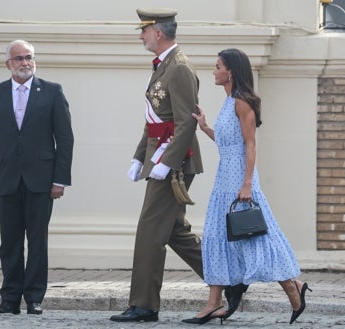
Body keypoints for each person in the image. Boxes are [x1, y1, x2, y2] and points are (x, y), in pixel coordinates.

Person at [182, 48, 311, 325]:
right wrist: (205, 127)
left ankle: (293, 286)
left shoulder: (242, 102)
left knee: (256, 238)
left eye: (217, 66)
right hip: (223, 179)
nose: (213, 71)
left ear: (230, 71)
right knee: (218, 238)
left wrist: (247, 184)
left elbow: (250, 145)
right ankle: (214, 303)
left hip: (241, 179)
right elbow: (229, 143)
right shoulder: (228, 101)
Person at [110, 8, 204, 323]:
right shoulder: (164, 66)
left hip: (174, 165)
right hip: (161, 158)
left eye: (144, 30)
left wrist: (166, 163)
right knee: (175, 231)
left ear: (158, 32)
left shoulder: (178, 68)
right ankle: (229, 280)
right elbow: (154, 120)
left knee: (150, 231)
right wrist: (140, 157)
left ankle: (144, 305)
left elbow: (185, 122)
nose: (141, 35)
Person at [0, 39, 74, 315]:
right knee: (9, 241)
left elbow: (65, 138)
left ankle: (34, 297)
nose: (25, 63)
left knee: (38, 240)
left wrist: (60, 179)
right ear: (8, 63)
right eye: (18, 58)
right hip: (5, 178)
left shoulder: (52, 91)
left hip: (42, 180)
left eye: (28, 57)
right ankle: (9, 298)